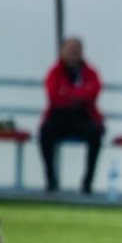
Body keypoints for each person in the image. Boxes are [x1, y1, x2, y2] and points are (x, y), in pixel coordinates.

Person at [39, 37, 105, 194]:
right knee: (45, 132)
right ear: (62, 52)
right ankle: (51, 180)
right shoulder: (54, 72)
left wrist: (68, 93)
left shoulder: (90, 72)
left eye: (77, 50)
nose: (74, 53)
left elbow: (93, 93)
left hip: (83, 114)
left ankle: (87, 183)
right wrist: (79, 95)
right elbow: (54, 96)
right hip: (59, 114)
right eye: (70, 50)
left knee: (95, 134)